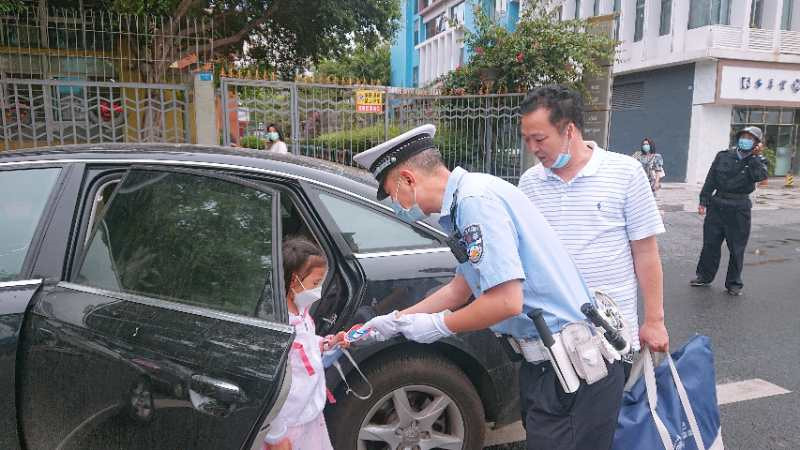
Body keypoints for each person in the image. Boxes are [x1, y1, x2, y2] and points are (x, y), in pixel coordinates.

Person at [353, 124, 625, 450]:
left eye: (392, 194)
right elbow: (459, 289)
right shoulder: (467, 200)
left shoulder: (475, 202)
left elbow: (506, 301)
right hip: (549, 367)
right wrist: (398, 320)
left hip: (571, 369)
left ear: (408, 179)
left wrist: (439, 325)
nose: (395, 206)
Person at [516, 86, 669, 374]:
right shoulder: (530, 183)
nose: (533, 148)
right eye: (526, 140)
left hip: (610, 338)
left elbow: (646, 253)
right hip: (552, 340)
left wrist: (654, 321)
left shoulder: (625, 173)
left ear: (569, 130)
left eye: (539, 139)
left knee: (611, 404)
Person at [263, 237, 346, 450]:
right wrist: (276, 435)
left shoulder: (301, 311)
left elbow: (306, 345)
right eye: (315, 284)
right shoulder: (280, 330)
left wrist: (326, 343)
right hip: (287, 426)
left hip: (309, 414)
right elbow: (269, 386)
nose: (319, 291)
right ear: (294, 281)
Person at [690, 126, 768, 296]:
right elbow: (711, 179)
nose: (745, 140)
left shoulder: (758, 161)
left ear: (757, 143)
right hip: (717, 205)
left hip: (739, 208)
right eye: (743, 137)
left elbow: (760, 177)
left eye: (750, 138)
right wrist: (703, 200)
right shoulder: (723, 155)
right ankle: (704, 276)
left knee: (736, 248)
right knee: (710, 244)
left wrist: (754, 157)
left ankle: (733, 283)